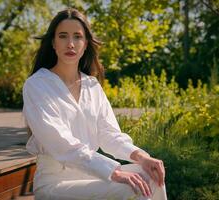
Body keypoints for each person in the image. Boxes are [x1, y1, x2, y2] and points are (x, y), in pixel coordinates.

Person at [23, 8, 167, 200]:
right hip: (56, 183)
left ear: (85, 44)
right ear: (53, 43)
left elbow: (109, 135)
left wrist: (141, 156)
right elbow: (60, 142)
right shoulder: (37, 85)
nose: (71, 44)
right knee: (133, 188)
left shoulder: (92, 86)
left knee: (151, 175)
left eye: (78, 37)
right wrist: (113, 172)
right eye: (63, 36)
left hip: (92, 175)